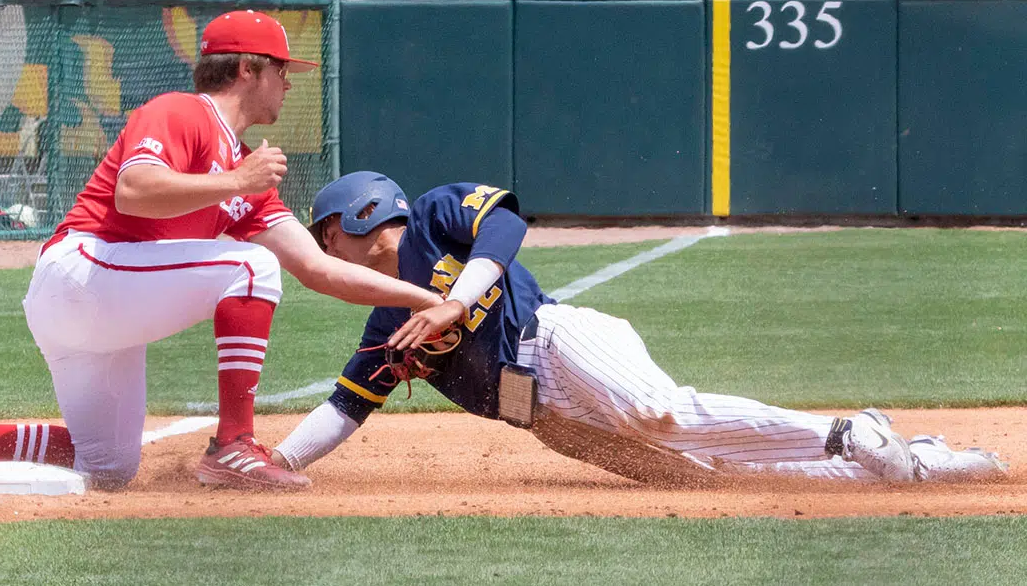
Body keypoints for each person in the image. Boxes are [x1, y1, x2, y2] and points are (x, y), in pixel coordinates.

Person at [0, 15, 444, 494]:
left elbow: (320, 271)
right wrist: (237, 180)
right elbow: (134, 190)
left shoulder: (245, 171)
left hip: (107, 309)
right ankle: (234, 445)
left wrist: (426, 300)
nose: (288, 83)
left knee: (108, 466)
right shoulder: (182, 112)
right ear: (247, 69)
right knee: (251, 266)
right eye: (281, 69)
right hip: (81, 273)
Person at [268, 172, 1009, 486]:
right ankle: (921, 461)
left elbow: (506, 223)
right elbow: (346, 406)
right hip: (548, 420)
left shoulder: (433, 216)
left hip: (560, 342)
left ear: (362, 214)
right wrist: (277, 462)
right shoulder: (386, 324)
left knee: (662, 411)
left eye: (323, 233)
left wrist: (456, 303)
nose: (319, 250)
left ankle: (847, 432)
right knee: (708, 476)